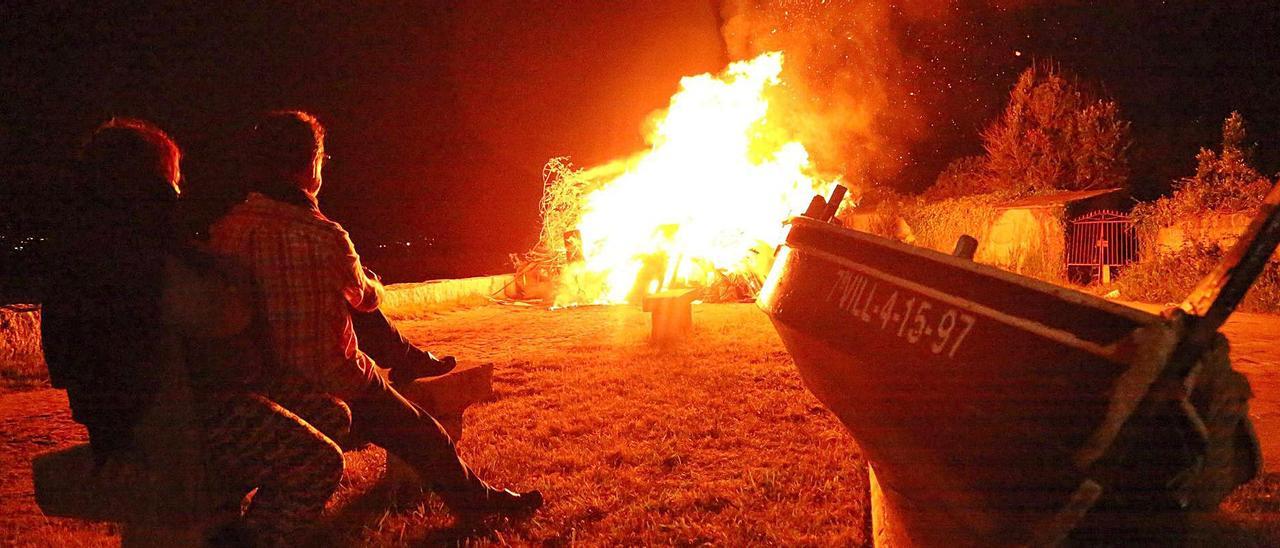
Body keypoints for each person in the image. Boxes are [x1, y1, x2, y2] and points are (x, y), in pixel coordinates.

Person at [208, 110, 542, 521]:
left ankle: (408, 358)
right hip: (331, 380)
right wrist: (374, 282)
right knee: (425, 434)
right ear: (311, 164)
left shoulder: (228, 229)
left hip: (263, 382)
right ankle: (478, 503)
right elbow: (366, 299)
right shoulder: (325, 235)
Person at [41, 118, 347, 546]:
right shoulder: (136, 253)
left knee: (330, 412)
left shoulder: (89, 241)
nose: (179, 193)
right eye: (174, 181)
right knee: (317, 460)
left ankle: (226, 517)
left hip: (142, 411)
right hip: (162, 422)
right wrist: (233, 276)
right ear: (152, 185)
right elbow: (220, 316)